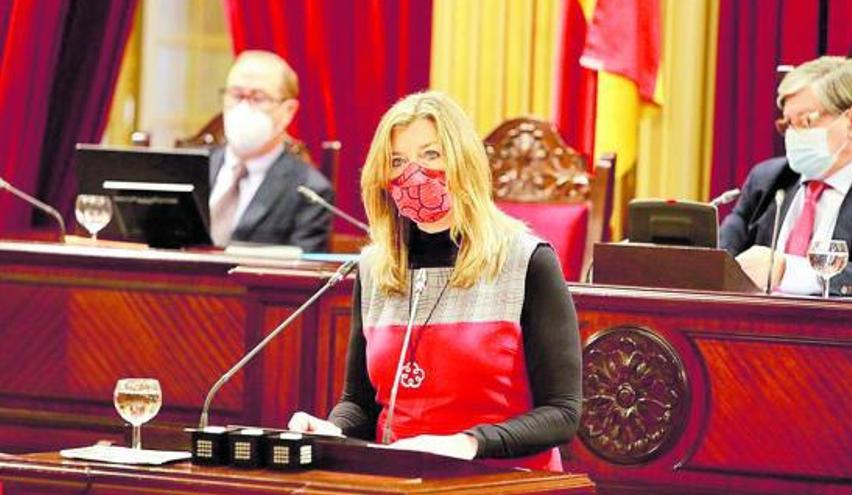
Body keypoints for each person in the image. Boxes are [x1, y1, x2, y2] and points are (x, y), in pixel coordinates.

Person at [288, 91, 582, 471]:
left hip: (502, 479)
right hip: (401, 477)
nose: (413, 173)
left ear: (463, 163)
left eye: (431, 155)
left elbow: (562, 413)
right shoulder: (376, 267)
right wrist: (334, 429)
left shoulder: (527, 261)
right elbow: (360, 403)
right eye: (398, 161)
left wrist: (467, 444)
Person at [720, 56, 852, 298]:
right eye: (787, 125)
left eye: (806, 121)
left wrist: (787, 271)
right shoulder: (767, 179)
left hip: (839, 332)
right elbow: (720, 260)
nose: (793, 136)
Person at [209, 50, 333, 251]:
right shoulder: (191, 168)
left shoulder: (310, 191)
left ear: (288, 111)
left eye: (258, 98)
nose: (243, 107)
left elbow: (302, 274)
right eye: (236, 95)